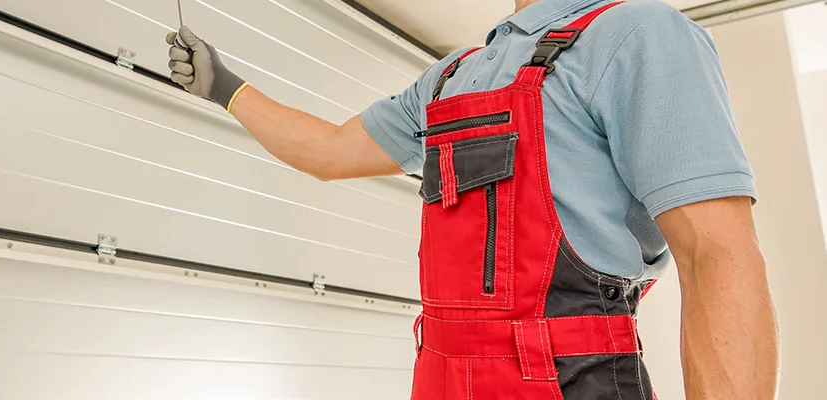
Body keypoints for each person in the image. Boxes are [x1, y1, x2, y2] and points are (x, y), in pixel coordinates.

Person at [166, 0, 778, 398]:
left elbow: (718, 255)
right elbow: (329, 151)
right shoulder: (453, 74)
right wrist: (226, 88)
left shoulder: (637, 34)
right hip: (438, 374)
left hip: (563, 379)